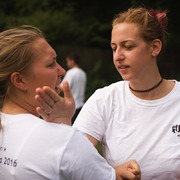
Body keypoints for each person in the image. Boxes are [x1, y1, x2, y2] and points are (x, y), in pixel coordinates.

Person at [0, 25, 141, 180]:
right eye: (51, 64)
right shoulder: (63, 141)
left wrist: (62, 124)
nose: (61, 71)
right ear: (19, 80)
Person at [73, 7, 180, 179]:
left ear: (154, 47)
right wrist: (112, 175)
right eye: (114, 48)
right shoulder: (104, 99)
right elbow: (73, 162)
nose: (117, 56)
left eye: (128, 47)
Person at [61, 53, 87, 124]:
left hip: (72, 107)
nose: (67, 63)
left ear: (72, 61)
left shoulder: (71, 72)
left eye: (68, 61)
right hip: (81, 106)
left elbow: (63, 87)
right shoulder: (83, 73)